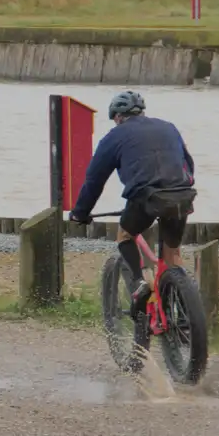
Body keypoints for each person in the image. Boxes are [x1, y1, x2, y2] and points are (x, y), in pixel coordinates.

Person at [68, 91, 195, 317]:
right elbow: (188, 162)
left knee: (126, 234)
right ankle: (185, 314)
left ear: (117, 117)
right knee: (172, 253)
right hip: (181, 194)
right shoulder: (168, 127)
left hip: (146, 196)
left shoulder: (114, 136)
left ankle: (139, 282)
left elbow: (94, 180)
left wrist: (80, 213)